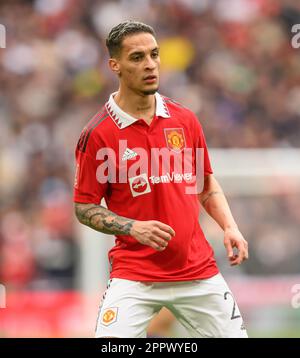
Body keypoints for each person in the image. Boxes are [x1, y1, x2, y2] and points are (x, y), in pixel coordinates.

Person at [73, 20, 249, 338]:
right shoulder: (98, 135)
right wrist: (132, 227)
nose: (150, 64)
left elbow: (206, 185)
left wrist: (230, 226)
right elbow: (84, 207)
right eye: (137, 57)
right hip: (135, 277)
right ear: (115, 65)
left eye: (154, 55)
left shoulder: (184, 119)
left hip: (199, 273)